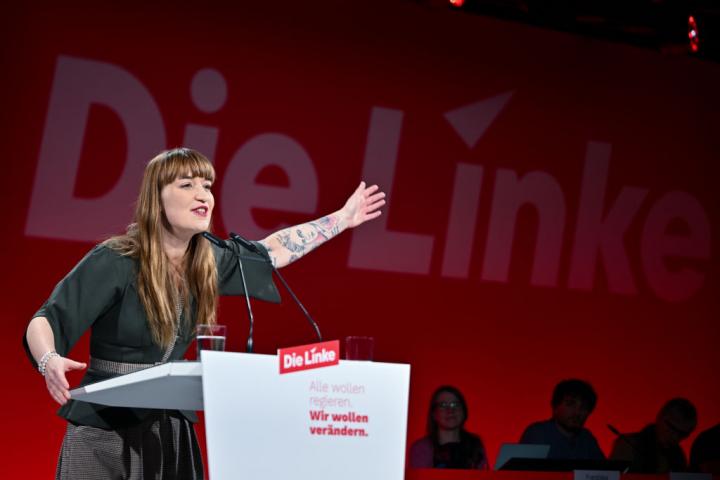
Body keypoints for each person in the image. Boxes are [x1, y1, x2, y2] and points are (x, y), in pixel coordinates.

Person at [23, 147, 386, 479]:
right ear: (156, 198)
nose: (203, 195)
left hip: (169, 429)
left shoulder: (208, 260)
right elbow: (46, 320)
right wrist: (48, 359)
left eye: (207, 186)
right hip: (104, 429)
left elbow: (272, 251)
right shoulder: (117, 259)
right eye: (187, 185)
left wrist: (342, 219)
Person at [519, 378, 605, 460]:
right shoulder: (538, 433)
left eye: (584, 407)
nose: (577, 412)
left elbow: (603, 469)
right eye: (570, 404)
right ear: (555, 406)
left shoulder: (587, 438)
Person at [409, 385, 487, 469]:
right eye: (443, 405)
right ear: (433, 414)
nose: (450, 411)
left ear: (463, 411)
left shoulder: (476, 445)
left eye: (455, 404)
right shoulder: (421, 448)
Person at [610, 398, 697, 473]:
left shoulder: (679, 458)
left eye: (682, 434)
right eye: (671, 428)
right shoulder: (629, 445)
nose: (675, 437)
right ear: (660, 417)